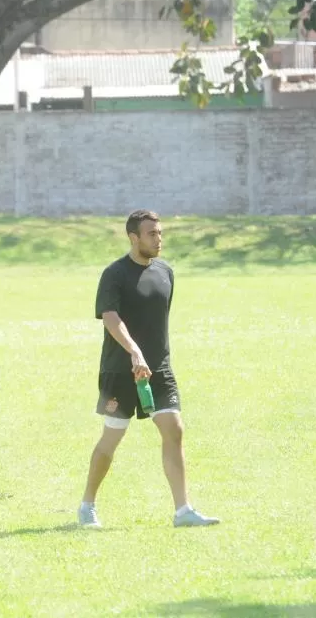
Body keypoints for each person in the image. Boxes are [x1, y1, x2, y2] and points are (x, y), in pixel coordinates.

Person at [78, 209, 219, 528]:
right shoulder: (114, 274)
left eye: (160, 233)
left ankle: (183, 511)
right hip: (121, 370)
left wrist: (150, 358)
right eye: (151, 234)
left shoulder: (166, 272)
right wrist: (134, 352)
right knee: (112, 438)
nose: (159, 239)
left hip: (158, 369)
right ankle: (87, 505)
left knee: (174, 429)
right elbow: (111, 318)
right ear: (133, 237)